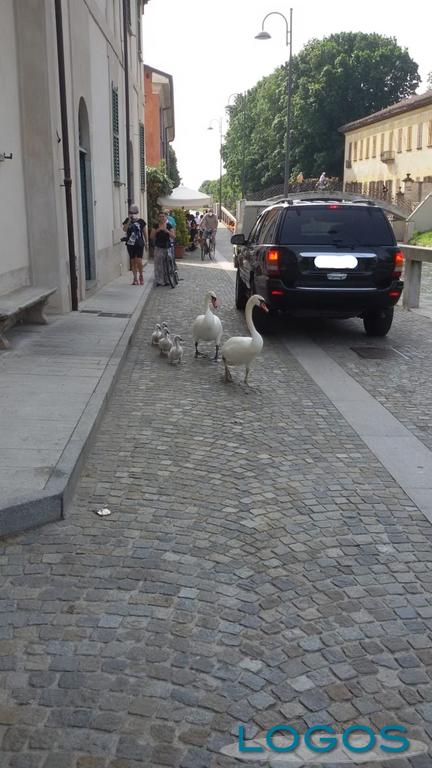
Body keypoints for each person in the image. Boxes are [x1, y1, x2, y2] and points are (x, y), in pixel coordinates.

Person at [122, 204, 148, 285]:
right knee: (132, 261)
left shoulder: (141, 221)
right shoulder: (127, 220)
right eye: (131, 212)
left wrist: (146, 242)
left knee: (139, 261)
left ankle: (141, 275)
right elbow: (125, 229)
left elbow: (144, 232)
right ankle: (135, 278)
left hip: (139, 243)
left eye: (134, 212)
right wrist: (129, 220)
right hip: (130, 244)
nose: (132, 213)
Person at [151, 213, 171, 286]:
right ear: (158, 218)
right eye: (160, 217)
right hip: (158, 246)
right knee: (158, 264)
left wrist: (167, 231)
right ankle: (159, 280)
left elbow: (174, 236)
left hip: (167, 246)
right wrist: (157, 230)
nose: (162, 218)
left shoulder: (169, 226)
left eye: (163, 216)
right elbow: (151, 236)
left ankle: (167, 280)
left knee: (167, 264)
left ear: (165, 217)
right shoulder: (155, 226)